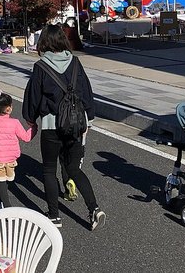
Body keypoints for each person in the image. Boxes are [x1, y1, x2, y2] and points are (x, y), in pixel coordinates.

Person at [22, 25, 106, 230]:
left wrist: (30, 119)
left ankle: (54, 216)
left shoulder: (41, 67)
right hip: (77, 124)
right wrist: (90, 119)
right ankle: (94, 209)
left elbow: (33, 96)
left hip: (52, 125)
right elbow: (87, 92)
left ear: (44, 42)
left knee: (49, 170)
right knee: (73, 169)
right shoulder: (75, 62)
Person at [0, 88, 37, 209]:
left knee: (1, 183)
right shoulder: (15, 122)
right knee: (4, 182)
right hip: (11, 159)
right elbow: (26, 137)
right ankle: (4, 205)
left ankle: (4, 206)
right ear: (8, 108)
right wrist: (34, 128)